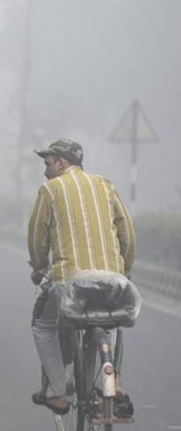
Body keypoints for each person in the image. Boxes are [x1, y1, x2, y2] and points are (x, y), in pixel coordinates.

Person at [28, 138, 136, 415]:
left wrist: (39, 267)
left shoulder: (50, 189)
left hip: (70, 283)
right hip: (113, 279)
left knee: (43, 325)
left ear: (62, 163)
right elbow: (128, 234)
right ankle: (114, 383)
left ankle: (58, 392)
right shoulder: (106, 185)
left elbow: (38, 238)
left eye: (48, 162)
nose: (45, 169)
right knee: (108, 322)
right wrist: (124, 272)